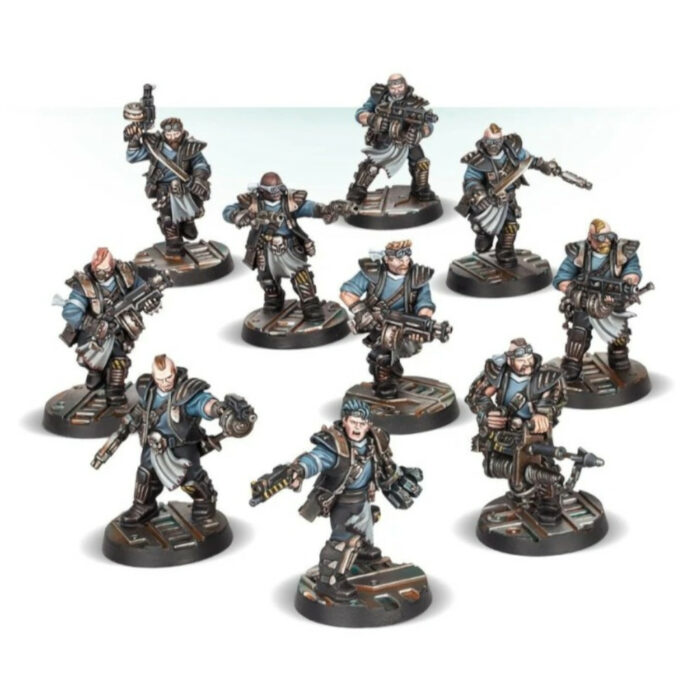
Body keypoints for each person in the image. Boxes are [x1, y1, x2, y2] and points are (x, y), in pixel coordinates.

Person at [253, 399, 423, 602]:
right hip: (343, 502)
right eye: (353, 422)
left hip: (364, 497)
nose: (357, 428)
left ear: (368, 424)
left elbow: (385, 461)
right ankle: (329, 581)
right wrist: (298, 470)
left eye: (362, 423)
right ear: (344, 421)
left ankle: (362, 553)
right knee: (344, 540)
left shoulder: (375, 440)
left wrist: (395, 476)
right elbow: (315, 459)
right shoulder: (335, 445)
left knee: (367, 527)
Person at [98, 354, 256, 525]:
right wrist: (127, 424)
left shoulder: (186, 392)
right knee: (145, 474)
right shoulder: (148, 390)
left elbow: (203, 403)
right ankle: (143, 506)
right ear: (153, 377)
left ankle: (205, 503)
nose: (165, 382)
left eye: (168, 377)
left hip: (181, 446)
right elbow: (140, 409)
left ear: (174, 371)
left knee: (191, 480)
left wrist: (218, 409)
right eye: (160, 379)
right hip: (153, 445)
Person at [223, 172, 348, 321]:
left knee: (301, 276)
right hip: (264, 247)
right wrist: (237, 216)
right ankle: (274, 299)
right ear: (262, 190)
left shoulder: (289, 201)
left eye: (280, 188)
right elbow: (227, 211)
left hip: (289, 246)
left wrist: (325, 210)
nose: (277, 193)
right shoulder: (253, 202)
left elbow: (310, 208)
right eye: (272, 190)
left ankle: (309, 304)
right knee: (267, 279)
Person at [466, 338, 567, 521]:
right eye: (521, 360)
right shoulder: (499, 373)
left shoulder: (545, 376)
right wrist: (488, 413)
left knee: (542, 464)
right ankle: (522, 493)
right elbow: (477, 396)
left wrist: (542, 415)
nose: (527, 363)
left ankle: (548, 500)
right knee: (504, 464)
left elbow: (551, 401)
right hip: (504, 428)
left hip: (532, 432)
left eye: (529, 359)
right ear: (510, 360)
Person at [58, 247, 161, 405]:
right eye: (98, 270)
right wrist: (91, 323)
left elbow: (143, 290)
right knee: (90, 359)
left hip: (120, 328)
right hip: (93, 331)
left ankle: (114, 389)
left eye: (106, 270)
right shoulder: (85, 284)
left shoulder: (125, 274)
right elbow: (70, 311)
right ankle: (96, 371)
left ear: (112, 266)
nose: (102, 275)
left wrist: (151, 301)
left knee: (118, 358)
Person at [340, 240, 435, 398]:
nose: (404, 263)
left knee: (399, 348)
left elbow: (425, 303)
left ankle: (392, 369)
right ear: (387, 259)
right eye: (399, 259)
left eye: (407, 259)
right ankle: (383, 379)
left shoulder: (418, 276)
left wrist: (422, 323)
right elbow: (347, 293)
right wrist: (362, 313)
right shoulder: (373, 272)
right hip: (378, 321)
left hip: (403, 323)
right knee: (382, 351)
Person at [456, 123, 560, 267]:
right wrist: (480, 194)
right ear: (484, 141)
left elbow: (530, 160)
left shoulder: (512, 151)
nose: (493, 146)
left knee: (510, 226)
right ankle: (484, 234)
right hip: (488, 200)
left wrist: (545, 166)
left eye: (497, 142)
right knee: (482, 234)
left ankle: (505, 251)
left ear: (502, 140)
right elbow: (471, 180)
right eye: (490, 142)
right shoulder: (478, 160)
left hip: (508, 199)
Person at [553, 219, 642, 379]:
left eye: (610, 236)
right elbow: (562, 277)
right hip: (586, 301)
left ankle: (618, 356)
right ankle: (573, 363)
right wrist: (574, 292)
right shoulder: (579, 252)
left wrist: (629, 281)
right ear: (590, 237)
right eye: (600, 238)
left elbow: (633, 269)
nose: (606, 241)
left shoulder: (623, 251)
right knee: (579, 333)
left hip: (612, 300)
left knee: (619, 333)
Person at [125, 116, 211, 258]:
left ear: (182, 132)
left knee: (194, 209)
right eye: (169, 134)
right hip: (164, 187)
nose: (173, 137)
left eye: (176, 134)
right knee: (168, 218)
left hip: (186, 185)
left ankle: (187, 222)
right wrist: (134, 140)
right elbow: (133, 157)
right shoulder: (155, 145)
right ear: (164, 133)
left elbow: (201, 164)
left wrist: (198, 177)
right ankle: (173, 242)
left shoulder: (190, 147)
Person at [346, 74, 437, 204]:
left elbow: (428, 124)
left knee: (421, 163)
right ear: (388, 87)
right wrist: (372, 119)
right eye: (393, 88)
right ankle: (358, 189)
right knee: (372, 165)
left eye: (400, 87)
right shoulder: (379, 98)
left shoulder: (414, 102)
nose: (397, 91)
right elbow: (360, 113)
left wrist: (420, 133)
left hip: (406, 138)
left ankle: (421, 188)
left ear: (405, 86)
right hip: (385, 137)